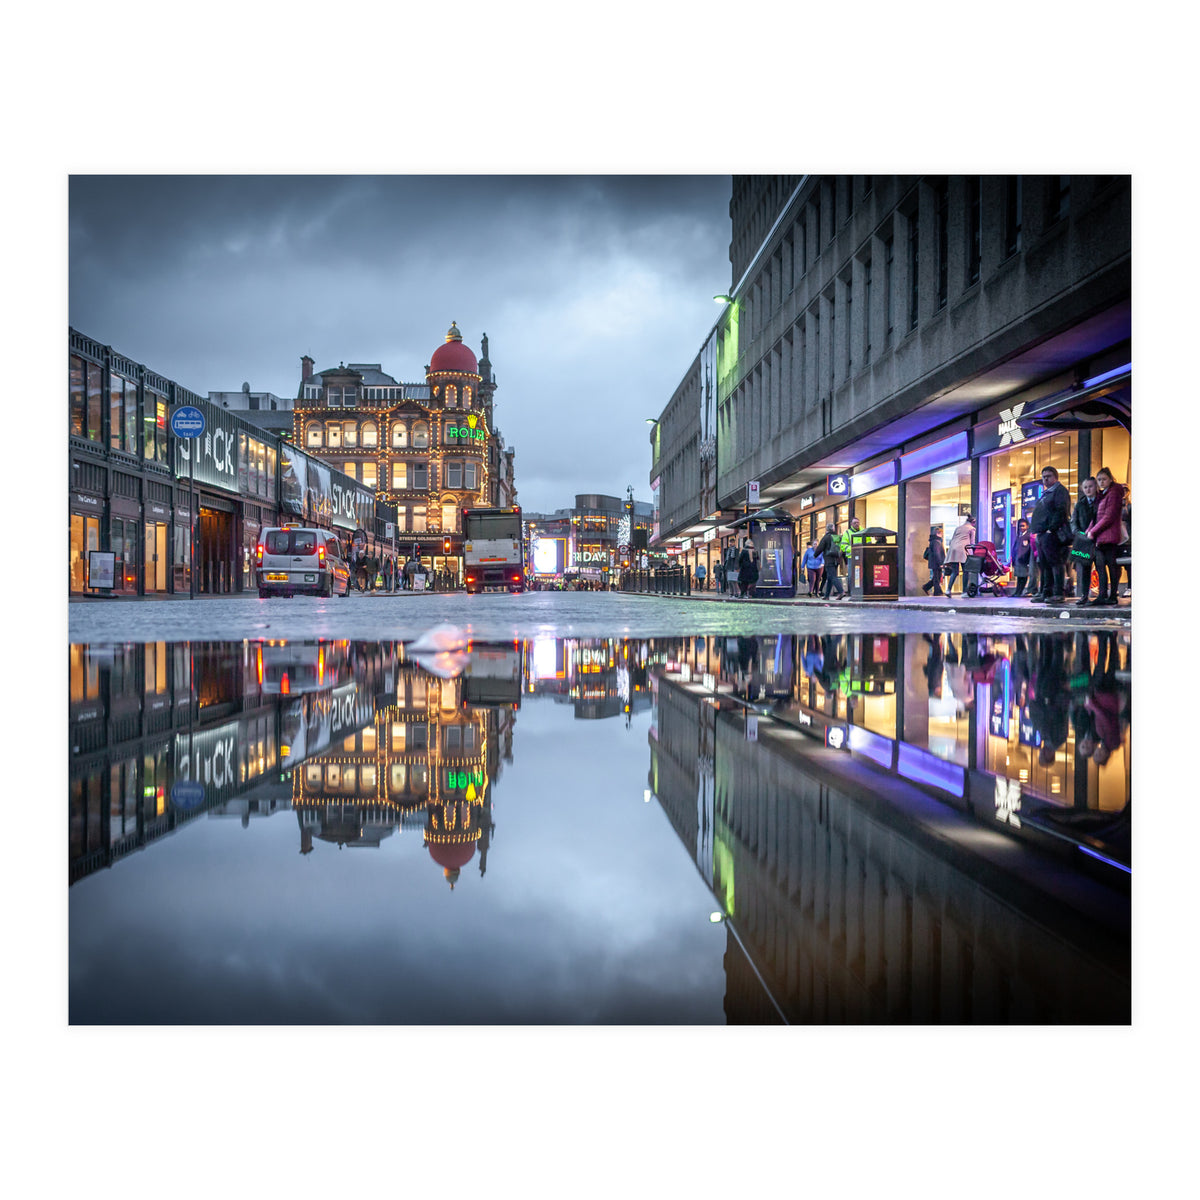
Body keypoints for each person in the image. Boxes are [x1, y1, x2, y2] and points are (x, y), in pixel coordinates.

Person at [1085, 466, 1127, 607]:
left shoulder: (1114, 493)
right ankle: (1103, 595)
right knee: (1102, 566)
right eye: (1099, 480)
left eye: (1104, 479)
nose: (1101, 482)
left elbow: (1108, 517)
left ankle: (1111, 595)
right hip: (1101, 536)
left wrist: (1093, 531)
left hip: (1109, 536)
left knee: (1111, 566)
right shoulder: (1103, 494)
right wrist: (1090, 529)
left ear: (1110, 479)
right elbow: (1097, 516)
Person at [1028, 467, 1072, 603]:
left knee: (1055, 563)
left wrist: (1051, 529)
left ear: (1055, 477)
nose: (1045, 479)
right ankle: (1046, 592)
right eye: (1043, 477)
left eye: (1048, 476)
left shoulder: (1059, 491)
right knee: (1045, 564)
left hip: (1051, 534)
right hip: (1042, 534)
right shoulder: (1047, 493)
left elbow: (1061, 511)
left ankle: (1058, 593)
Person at [1069, 476, 1098, 601]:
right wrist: (1078, 533)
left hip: (1098, 539)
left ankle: (1102, 594)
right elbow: (1073, 521)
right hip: (1083, 540)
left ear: (1096, 487)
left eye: (1090, 486)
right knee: (1084, 569)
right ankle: (1084, 595)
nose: (1088, 489)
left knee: (1101, 567)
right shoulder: (1080, 504)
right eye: (1085, 487)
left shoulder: (1101, 501)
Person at [941, 514, 976, 596]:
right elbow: (972, 543)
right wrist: (972, 555)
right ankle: (964, 592)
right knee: (965, 571)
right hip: (963, 549)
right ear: (973, 522)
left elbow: (952, 540)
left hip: (953, 549)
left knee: (955, 571)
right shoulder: (972, 529)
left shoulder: (958, 528)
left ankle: (948, 590)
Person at [815, 523, 844, 599]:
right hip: (836, 559)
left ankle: (841, 592)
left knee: (833, 576)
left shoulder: (826, 537)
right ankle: (827, 596)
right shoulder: (837, 537)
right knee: (830, 577)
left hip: (829, 559)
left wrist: (815, 555)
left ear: (827, 529)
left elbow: (820, 547)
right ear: (833, 529)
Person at [1011, 518, 1033, 596]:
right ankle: (1017, 591)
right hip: (1018, 559)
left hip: (1023, 560)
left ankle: (1019, 591)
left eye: (1023, 526)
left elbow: (1028, 548)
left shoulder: (1028, 536)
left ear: (1027, 526)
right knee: (1019, 577)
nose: (1021, 528)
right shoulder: (1019, 536)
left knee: (1023, 576)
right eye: (1020, 526)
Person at [921, 528, 945, 594]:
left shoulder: (934, 541)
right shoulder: (936, 542)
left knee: (936, 577)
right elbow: (937, 553)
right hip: (936, 563)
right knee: (937, 578)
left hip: (934, 562)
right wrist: (940, 563)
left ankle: (926, 587)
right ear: (938, 533)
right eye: (941, 534)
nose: (942, 535)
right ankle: (937, 592)